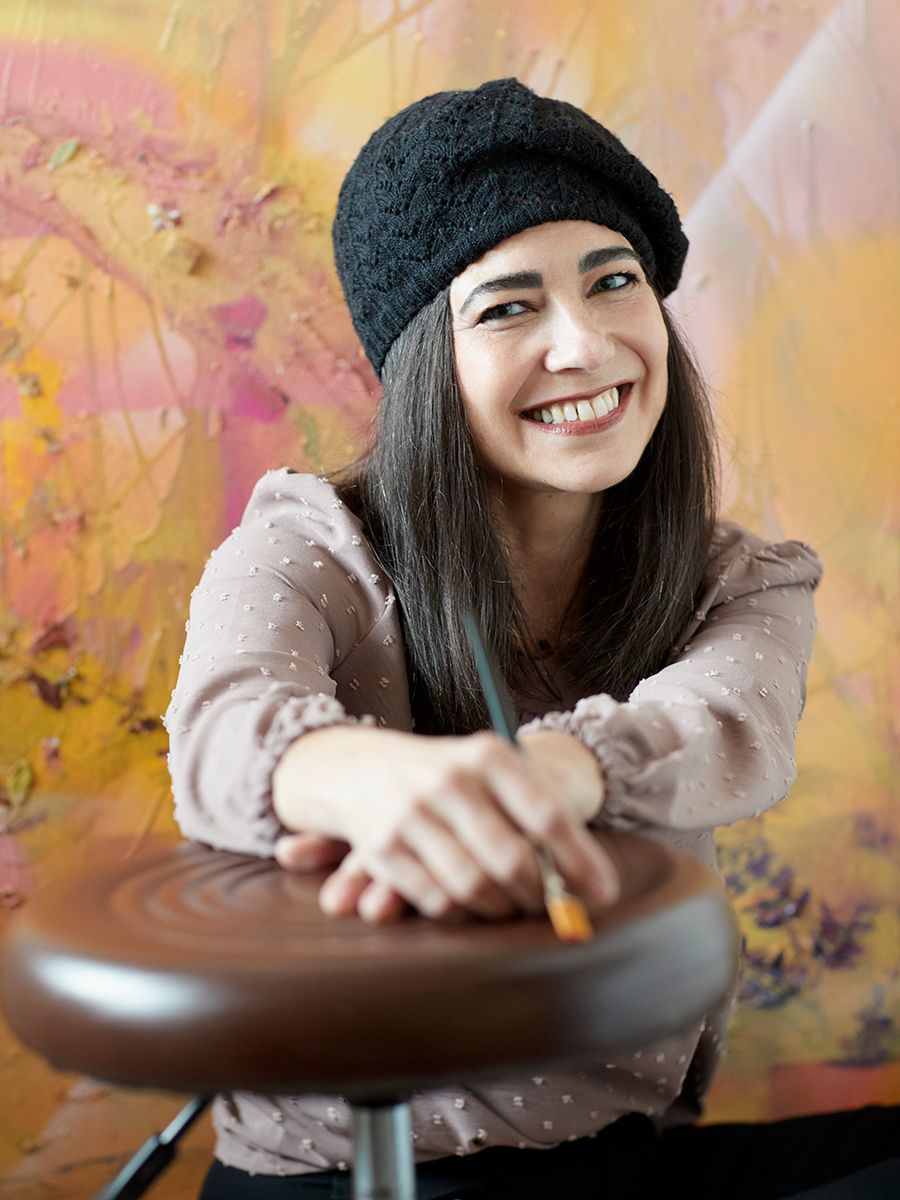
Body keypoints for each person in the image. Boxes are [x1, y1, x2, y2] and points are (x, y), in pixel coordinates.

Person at [165, 79, 898, 1199]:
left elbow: (724, 722)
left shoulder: (741, 581)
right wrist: (377, 785)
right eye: (508, 308)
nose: (584, 344)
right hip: (362, 1175)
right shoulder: (308, 547)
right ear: (426, 359)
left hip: (614, 1158)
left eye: (615, 281)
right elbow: (224, 727)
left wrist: (547, 771)